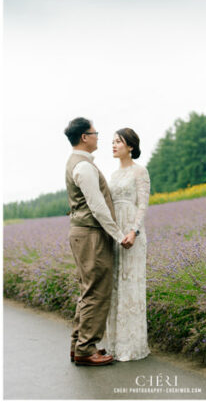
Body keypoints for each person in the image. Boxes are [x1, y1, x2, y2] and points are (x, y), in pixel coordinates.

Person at [63, 117, 128, 366]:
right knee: (97, 292)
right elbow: (98, 207)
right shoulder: (84, 167)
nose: (98, 137)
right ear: (84, 137)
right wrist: (119, 235)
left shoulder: (77, 163)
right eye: (95, 133)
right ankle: (85, 350)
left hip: (82, 232)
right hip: (91, 234)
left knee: (87, 291)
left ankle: (78, 345)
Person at [101, 127, 151, 361]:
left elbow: (142, 205)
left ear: (130, 146)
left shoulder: (140, 171)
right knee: (115, 286)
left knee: (130, 285)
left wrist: (134, 231)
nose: (113, 145)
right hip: (114, 231)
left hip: (131, 230)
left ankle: (131, 346)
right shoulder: (112, 176)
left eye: (118, 142)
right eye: (112, 142)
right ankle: (114, 344)